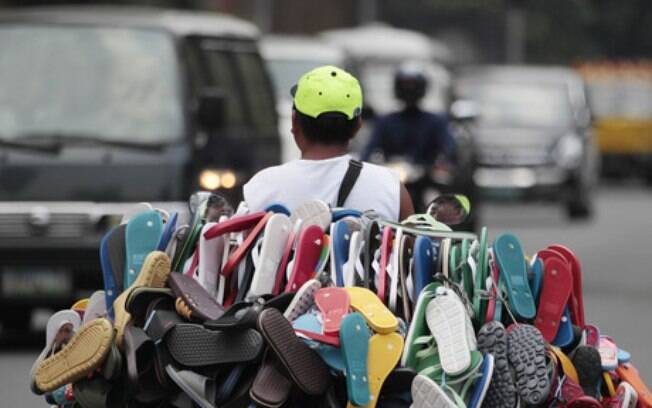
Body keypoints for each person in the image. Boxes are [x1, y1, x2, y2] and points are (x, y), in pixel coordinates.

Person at [244, 65, 414, 221]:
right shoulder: (391, 188)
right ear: (357, 126)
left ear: (294, 122)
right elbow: (412, 249)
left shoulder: (261, 186)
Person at [361, 64, 455, 166]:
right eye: (405, 86)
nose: (410, 90)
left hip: (427, 177)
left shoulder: (435, 121)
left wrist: (445, 164)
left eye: (414, 86)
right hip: (392, 174)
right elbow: (369, 149)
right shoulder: (386, 122)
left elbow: (448, 148)